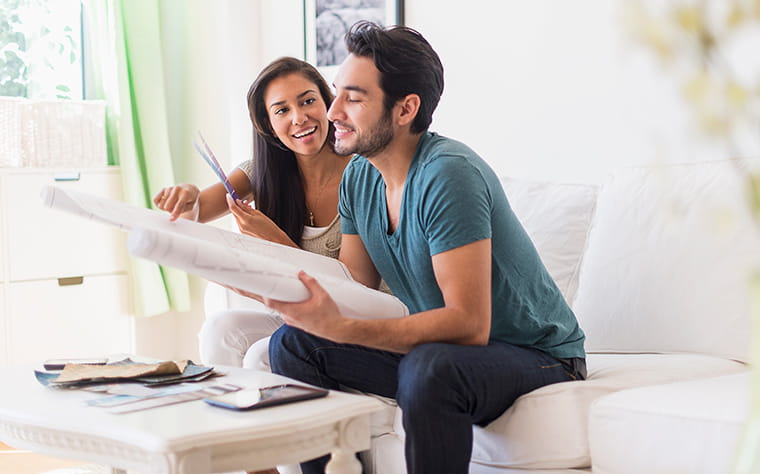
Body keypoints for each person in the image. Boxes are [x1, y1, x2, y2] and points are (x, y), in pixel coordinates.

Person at [262, 22, 587, 474]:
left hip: (538, 356)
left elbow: (469, 324)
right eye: (336, 93)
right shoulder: (359, 177)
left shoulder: (448, 174)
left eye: (353, 98)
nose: (333, 111)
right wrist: (266, 282)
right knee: (294, 345)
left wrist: (345, 329)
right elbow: (353, 289)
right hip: (454, 356)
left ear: (405, 109)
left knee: (431, 367)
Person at [153, 57, 351, 371]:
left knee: (263, 353)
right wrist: (188, 196)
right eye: (282, 110)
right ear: (268, 125)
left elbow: (349, 289)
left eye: (308, 101)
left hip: (349, 317)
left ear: (327, 104)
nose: (299, 118)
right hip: (299, 317)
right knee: (219, 330)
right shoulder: (261, 172)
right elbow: (198, 209)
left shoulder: (361, 175)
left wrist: (274, 239)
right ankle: (234, 417)